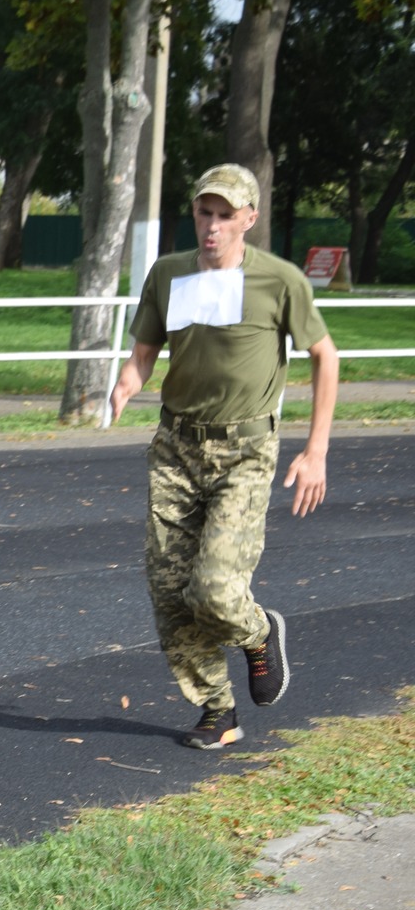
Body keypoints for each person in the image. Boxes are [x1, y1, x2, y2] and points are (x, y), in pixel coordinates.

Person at [109, 163, 339, 750]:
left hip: (245, 450)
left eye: (225, 216)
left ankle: (260, 635)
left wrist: (315, 451)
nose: (211, 227)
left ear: (249, 220)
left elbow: (325, 356)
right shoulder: (168, 274)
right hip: (176, 447)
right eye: (203, 213)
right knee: (168, 591)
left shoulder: (279, 280)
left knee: (213, 588)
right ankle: (218, 710)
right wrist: (127, 382)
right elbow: (145, 351)